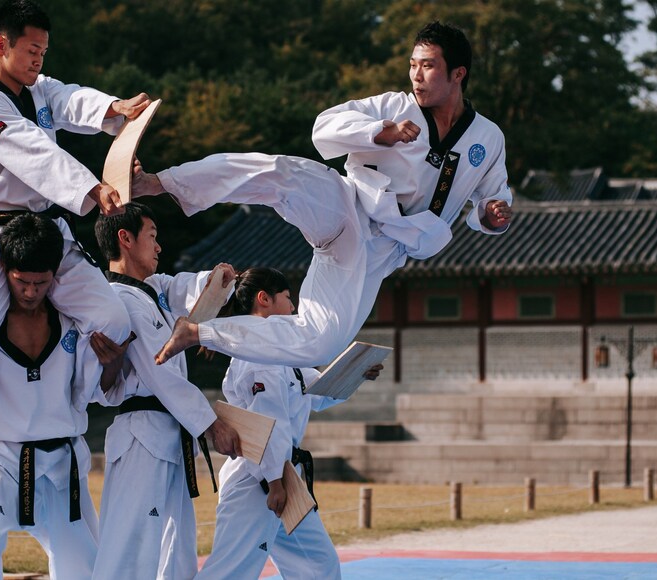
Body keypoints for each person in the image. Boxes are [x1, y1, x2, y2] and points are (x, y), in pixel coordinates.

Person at [136, 21, 513, 369]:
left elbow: (489, 200)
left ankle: (198, 333)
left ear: (458, 73)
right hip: (348, 205)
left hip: (377, 254)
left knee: (321, 343)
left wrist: (493, 213)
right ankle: (159, 182)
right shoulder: (394, 106)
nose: (416, 75)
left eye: (428, 66)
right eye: (413, 64)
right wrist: (380, 132)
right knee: (281, 175)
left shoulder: (488, 138)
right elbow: (323, 128)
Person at [0, 0, 149, 397]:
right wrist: (92, 188)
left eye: (43, 53)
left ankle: (69, 394)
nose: (38, 62)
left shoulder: (40, 90)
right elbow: (34, 153)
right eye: (31, 52)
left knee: (112, 321)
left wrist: (114, 107)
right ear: (1, 45)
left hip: (49, 232)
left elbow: (73, 100)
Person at [0, 215, 124, 580]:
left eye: (41, 283)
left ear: (54, 277)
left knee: (84, 565)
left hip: (61, 461)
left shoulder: (71, 322)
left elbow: (92, 392)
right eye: (21, 281)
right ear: (5, 270)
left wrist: (111, 365)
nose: (31, 292)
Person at [196, 267, 383, 580]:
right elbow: (269, 419)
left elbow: (319, 391)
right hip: (258, 479)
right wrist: (274, 481)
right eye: (287, 298)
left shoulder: (283, 355)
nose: (294, 307)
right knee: (232, 571)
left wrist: (357, 373)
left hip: (285, 477)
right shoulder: (255, 355)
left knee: (319, 565)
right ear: (264, 300)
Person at [90, 202, 242, 580]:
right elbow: (161, 374)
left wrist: (217, 279)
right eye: (152, 237)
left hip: (168, 433)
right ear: (125, 239)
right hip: (143, 434)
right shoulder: (120, 301)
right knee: (132, 547)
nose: (159, 247)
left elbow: (184, 287)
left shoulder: (151, 291)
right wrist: (210, 424)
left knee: (176, 547)